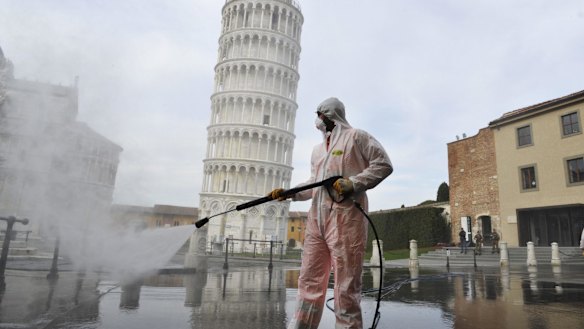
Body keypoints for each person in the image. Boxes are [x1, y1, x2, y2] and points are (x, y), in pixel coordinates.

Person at [270, 97, 393, 329]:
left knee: (346, 285)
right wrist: (290, 193)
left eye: (320, 115)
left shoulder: (357, 137)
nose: (318, 121)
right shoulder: (317, 151)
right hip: (317, 223)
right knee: (309, 281)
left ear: (331, 115)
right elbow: (315, 183)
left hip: (346, 221)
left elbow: (383, 164)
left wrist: (354, 183)